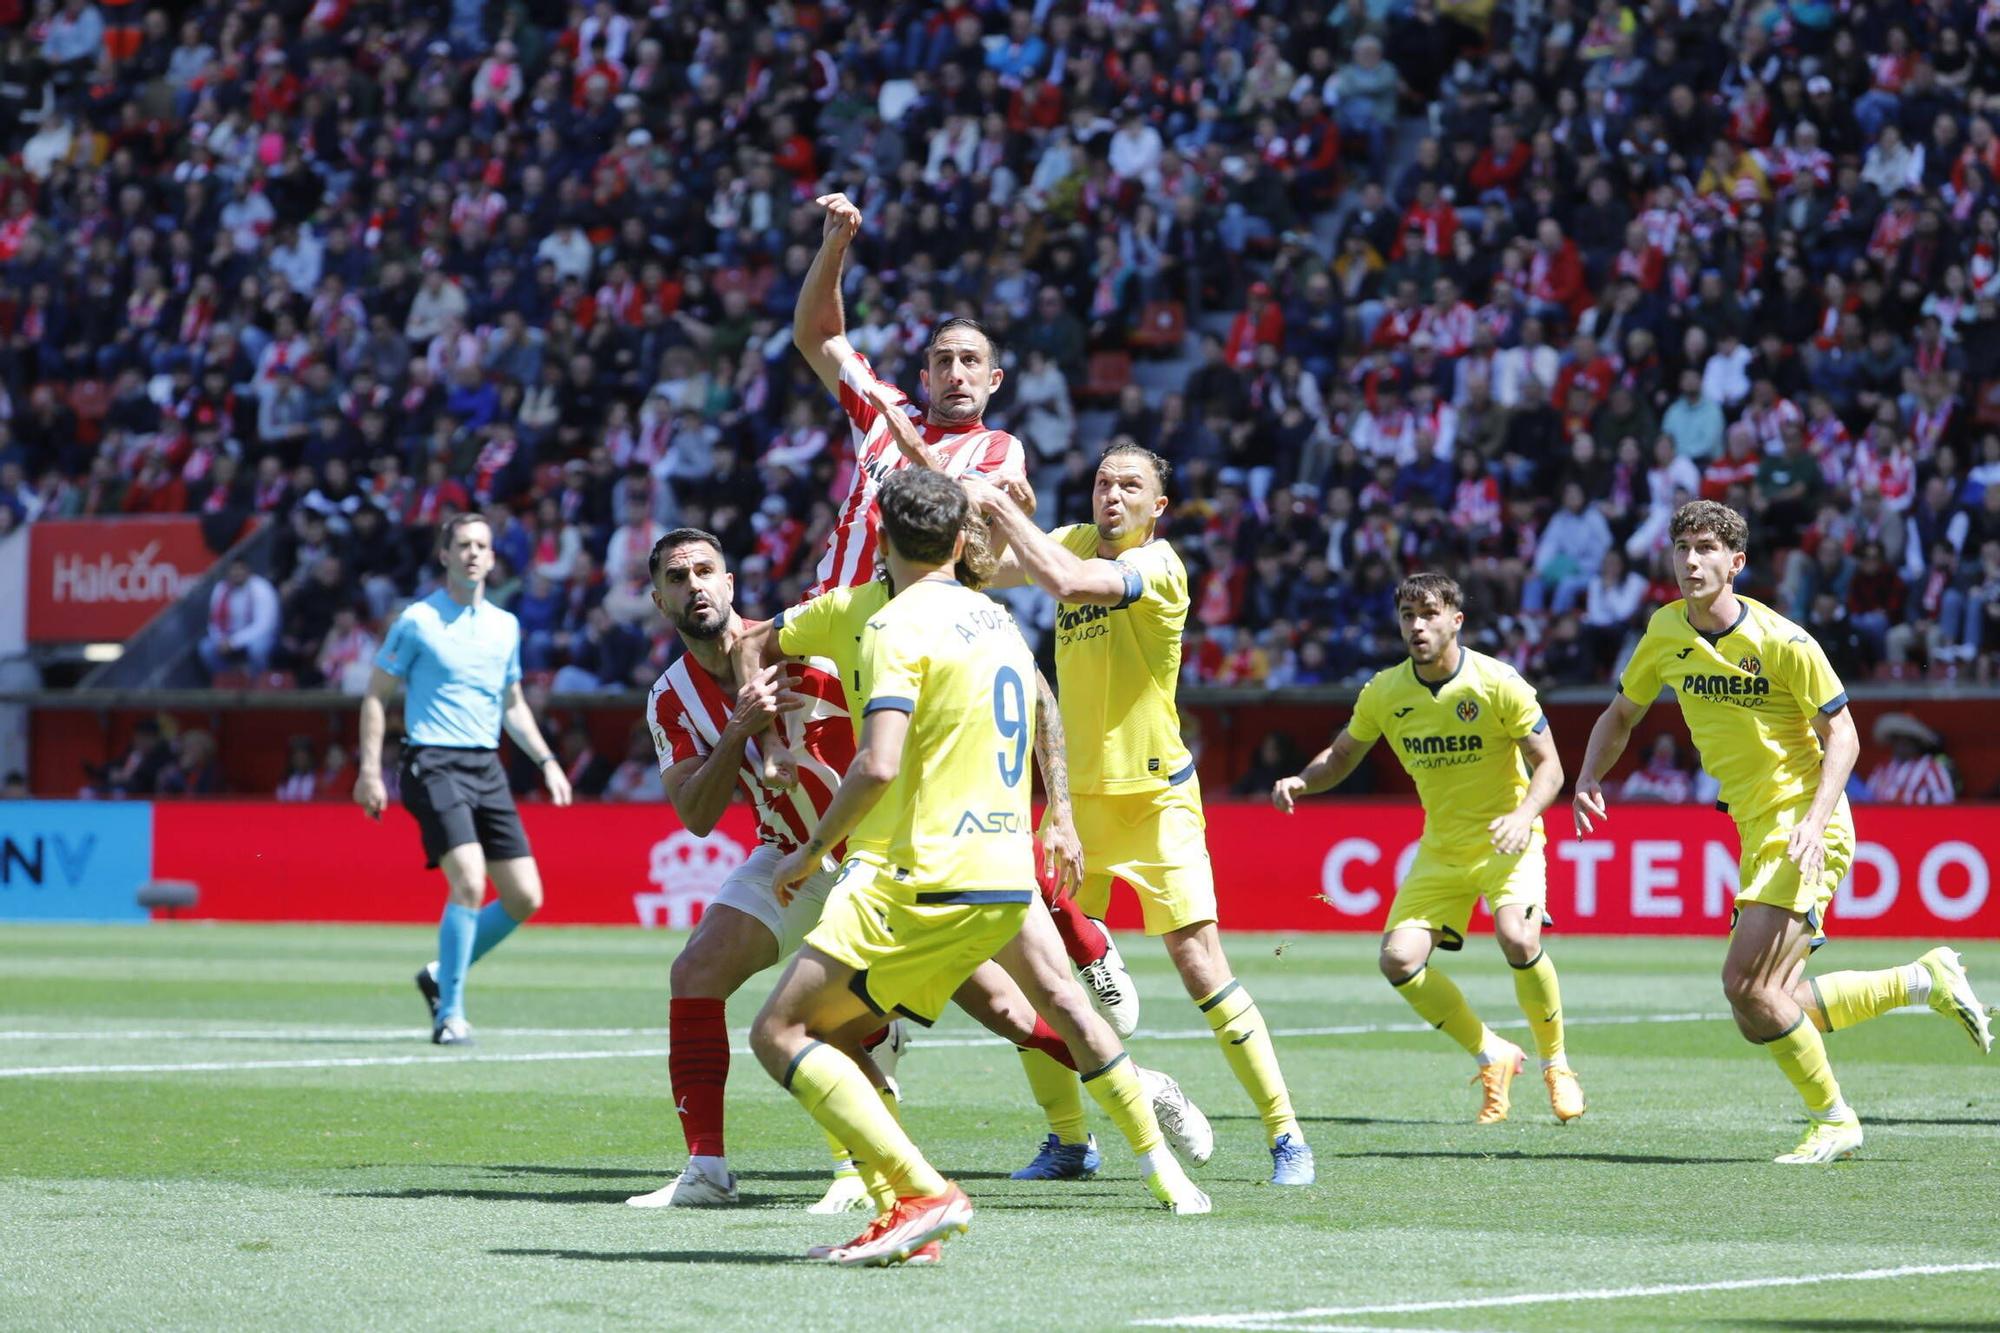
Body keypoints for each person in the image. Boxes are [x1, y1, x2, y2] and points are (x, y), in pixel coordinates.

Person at [748, 470, 1184, 1268]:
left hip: (912, 872)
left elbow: (877, 765)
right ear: (959, 543)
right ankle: (902, 1216)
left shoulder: (890, 623)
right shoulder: (999, 619)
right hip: (1002, 875)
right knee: (854, 1030)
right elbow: (1042, 711)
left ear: (880, 540)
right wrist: (1055, 814)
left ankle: (921, 1192)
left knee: (780, 1031)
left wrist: (809, 852)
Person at [788, 192, 1140, 1038]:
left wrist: (901, 433)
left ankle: (1082, 937)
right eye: (940, 358)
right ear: (924, 373)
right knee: (856, 818)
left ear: (993, 380)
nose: (953, 372)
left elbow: (959, 507)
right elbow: (816, 335)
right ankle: (889, 983)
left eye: (968, 360)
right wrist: (837, 242)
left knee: (977, 813)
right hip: (845, 633)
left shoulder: (999, 449)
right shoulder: (885, 418)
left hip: (937, 645)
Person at [1573, 500, 1991, 1164]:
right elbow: (1622, 713)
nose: (1690, 559)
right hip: (1756, 825)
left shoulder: (1783, 641)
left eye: (1706, 547)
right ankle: (1924, 979)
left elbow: (1845, 734)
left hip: (1803, 822)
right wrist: (1590, 774)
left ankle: (1835, 1119)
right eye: (1681, 546)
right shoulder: (1663, 631)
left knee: (1745, 983)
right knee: (1769, 1004)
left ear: (1735, 562)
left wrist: (1815, 820)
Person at [969, 444, 1315, 1186]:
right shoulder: (1066, 537)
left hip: (1157, 799)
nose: (1112, 495)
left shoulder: (1159, 566)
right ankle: (1069, 1140)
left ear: (1159, 505)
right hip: (1074, 806)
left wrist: (1002, 508)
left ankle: (1286, 1134)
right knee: (1033, 967)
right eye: (1102, 482)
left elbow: (1060, 580)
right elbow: (972, 569)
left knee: (1199, 964)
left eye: (1130, 485)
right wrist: (974, 503)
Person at [1270, 573, 1584, 1124]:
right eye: (1408, 616)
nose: (1417, 626)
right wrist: (1302, 780)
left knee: (1516, 936)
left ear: (1455, 620)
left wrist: (1523, 814)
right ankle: (1493, 1054)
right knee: (1398, 960)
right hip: (1442, 849)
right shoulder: (1385, 692)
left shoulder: (1498, 683)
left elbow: (1551, 766)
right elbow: (1341, 758)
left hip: (1509, 839)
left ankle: (1555, 1064)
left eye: (1429, 614)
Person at [356, 513, 573, 1045]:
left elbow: (513, 705)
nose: (474, 553)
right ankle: (449, 1014)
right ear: (445, 555)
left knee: (525, 897)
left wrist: (547, 761)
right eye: (463, 545)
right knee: (470, 881)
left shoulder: (505, 626)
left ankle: (437, 974)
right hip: (431, 761)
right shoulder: (417, 621)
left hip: (485, 766)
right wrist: (368, 771)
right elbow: (375, 698)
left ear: (493, 558)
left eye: (482, 545)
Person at [200, 558, 280, 677]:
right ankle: (229, 682)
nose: (237, 573)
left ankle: (258, 686)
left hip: (258, 636)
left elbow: (263, 626)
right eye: (233, 570)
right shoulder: (221, 589)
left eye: (240, 569)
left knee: (257, 649)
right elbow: (213, 621)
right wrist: (220, 640)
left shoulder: (261, 589)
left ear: (248, 571)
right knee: (206, 648)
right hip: (229, 636)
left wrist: (233, 642)